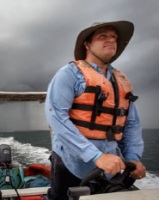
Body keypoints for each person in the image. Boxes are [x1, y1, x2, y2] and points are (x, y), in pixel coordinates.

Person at [45, 21, 146, 200]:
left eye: (114, 37)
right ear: (87, 44)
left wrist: (133, 158)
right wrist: (95, 156)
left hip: (111, 167)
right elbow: (56, 117)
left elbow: (131, 124)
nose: (111, 40)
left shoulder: (120, 81)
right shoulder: (69, 74)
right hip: (71, 164)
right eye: (103, 36)